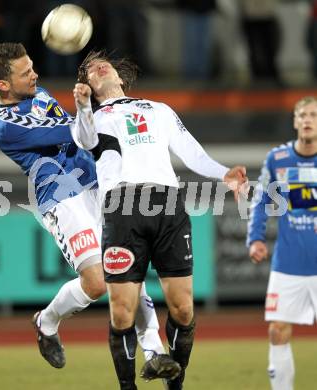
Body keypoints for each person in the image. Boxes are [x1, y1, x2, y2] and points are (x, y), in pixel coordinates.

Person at [0, 42, 168, 373]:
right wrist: (88, 108)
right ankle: (46, 321)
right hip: (60, 196)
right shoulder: (4, 126)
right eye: (25, 73)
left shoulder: (40, 94)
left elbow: (82, 134)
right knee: (97, 282)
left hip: (96, 185)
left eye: (32, 66)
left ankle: (155, 351)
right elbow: (71, 132)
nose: (35, 74)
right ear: (3, 85)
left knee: (126, 268)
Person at [72, 50, 249, 390]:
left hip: (168, 205)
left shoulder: (159, 110)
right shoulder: (93, 116)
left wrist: (224, 173)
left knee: (183, 310)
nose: (96, 68)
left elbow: (190, 150)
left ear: (120, 77)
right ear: (90, 87)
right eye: (89, 72)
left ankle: (175, 385)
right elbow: (85, 140)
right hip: (122, 208)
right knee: (122, 312)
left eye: (101, 64)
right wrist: (82, 106)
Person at [248, 96, 317, 390]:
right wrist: (255, 239)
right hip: (288, 264)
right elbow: (261, 202)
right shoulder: (277, 159)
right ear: (294, 121)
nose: (307, 120)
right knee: (277, 331)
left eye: (313, 115)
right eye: (302, 115)